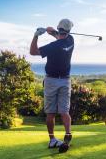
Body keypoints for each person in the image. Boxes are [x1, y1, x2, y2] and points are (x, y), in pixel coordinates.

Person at [30, 19, 74, 153]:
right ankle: (67, 134)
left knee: (51, 113)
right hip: (65, 80)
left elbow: (33, 51)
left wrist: (36, 35)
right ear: (69, 31)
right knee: (64, 112)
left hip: (51, 81)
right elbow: (60, 36)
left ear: (59, 29)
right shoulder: (71, 40)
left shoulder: (53, 46)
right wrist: (52, 32)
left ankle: (52, 139)